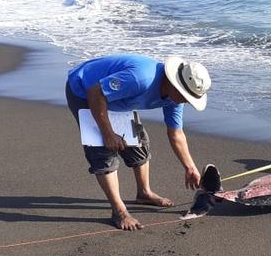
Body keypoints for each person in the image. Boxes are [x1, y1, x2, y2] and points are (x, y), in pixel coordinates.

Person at [66, 53, 211, 230]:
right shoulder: (141, 78)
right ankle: (119, 212)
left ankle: (144, 193)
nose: (187, 102)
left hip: (118, 99)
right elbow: (95, 92)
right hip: (84, 90)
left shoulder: (175, 98)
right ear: (175, 84)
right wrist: (108, 133)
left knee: (139, 143)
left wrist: (190, 167)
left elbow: (176, 133)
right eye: (186, 97)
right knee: (103, 150)